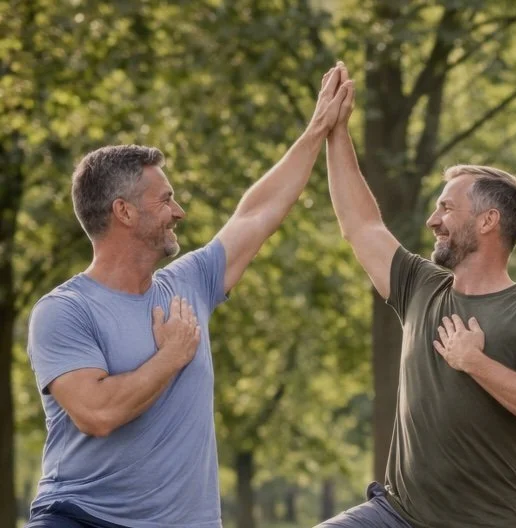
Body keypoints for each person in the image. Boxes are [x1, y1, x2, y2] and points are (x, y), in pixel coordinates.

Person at [23, 63, 352, 528]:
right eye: (165, 199)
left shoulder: (189, 282)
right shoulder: (64, 311)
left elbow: (256, 214)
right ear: (124, 212)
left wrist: (317, 130)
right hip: (82, 518)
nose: (178, 211)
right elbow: (97, 413)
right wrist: (171, 356)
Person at [317, 67, 516, 528]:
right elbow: (361, 225)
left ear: (487, 221)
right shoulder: (420, 286)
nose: (432, 221)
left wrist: (474, 362)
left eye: (446, 208)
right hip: (399, 513)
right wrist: (335, 133)